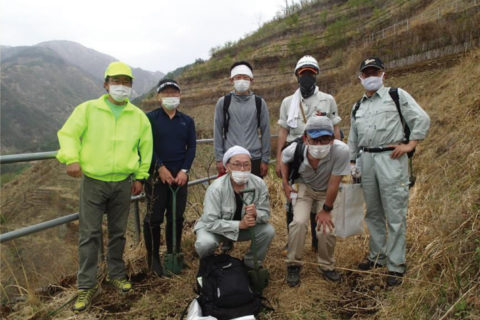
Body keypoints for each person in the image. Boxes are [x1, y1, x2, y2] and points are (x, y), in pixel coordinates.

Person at [56, 61, 153, 312]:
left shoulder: (138, 116)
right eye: (116, 81)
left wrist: (140, 176)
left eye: (126, 82)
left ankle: (116, 275)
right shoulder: (88, 110)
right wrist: (72, 158)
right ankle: (86, 287)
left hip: (123, 183)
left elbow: (146, 148)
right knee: (89, 234)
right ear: (106, 84)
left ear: (132, 86)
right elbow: (67, 134)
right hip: (94, 182)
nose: (121, 86)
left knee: (119, 233)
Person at [348, 57, 430, 286]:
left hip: (391, 158)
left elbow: (421, 118)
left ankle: (395, 264)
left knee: (395, 213)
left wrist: (410, 145)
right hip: (367, 160)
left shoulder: (396, 95)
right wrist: (353, 163)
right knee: (373, 212)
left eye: (375, 71)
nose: (371, 76)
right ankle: (377, 256)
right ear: (361, 78)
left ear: (383, 74)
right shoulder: (357, 106)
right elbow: (353, 137)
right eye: (367, 73)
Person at [275, 55, 342, 252]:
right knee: (294, 198)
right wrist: (279, 159)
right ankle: (293, 239)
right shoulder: (288, 102)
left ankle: (315, 240)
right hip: (295, 154)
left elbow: (335, 128)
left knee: (317, 197)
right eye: (303, 74)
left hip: (321, 152)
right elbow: (283, 131)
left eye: (310, 74)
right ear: (297, 75)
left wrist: (337, 152)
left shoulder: (327, 100)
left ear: (316, 75)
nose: (306, 77)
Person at [280, 116, 350, 286]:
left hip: (327, 190)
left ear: (332, 139)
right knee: (298, 222)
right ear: (306, 139)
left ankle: (326, 266)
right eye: (315, 140)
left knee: (326, 228)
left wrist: (326, 210)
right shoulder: (295, 149)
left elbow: (334, 183)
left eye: (325, 139)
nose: (319, 145)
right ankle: (293, 264)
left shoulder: (341, 151)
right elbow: (283, 159)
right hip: (305, 188)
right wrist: (286, 184)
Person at [143, 79, 196, 276]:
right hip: (157, 178)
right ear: (158, 97)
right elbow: (147, 147)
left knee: (176, 218)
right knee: (153, 218)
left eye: (174, 93)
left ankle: (174, 254)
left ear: (179, 96)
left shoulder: (187, 121)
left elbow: (191, 147)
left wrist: (184, 171)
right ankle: (154, 259)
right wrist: (160, 168)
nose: (170, 96)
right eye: (166, 93)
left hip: (180, 178)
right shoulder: (150, 119)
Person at [194, 146, 275, 269]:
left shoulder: (259, 184)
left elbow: (265, 215)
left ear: (251, 166)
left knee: (268, 231)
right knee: (205, 243)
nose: (242, 169)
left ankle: (250, 264)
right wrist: (239, 225)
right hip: (216, 230)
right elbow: (210, 223)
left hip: (243, 229)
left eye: (246, 164)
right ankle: (209, 266)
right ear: (227, 167)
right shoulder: (216, 188)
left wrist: (256, 214)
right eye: (236, 164)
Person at [214, 61, 270, 178]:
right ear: (231, 80)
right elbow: (218, 131)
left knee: (254, 193)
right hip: (231, 158)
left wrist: (265, 160)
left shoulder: (259, 103)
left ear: (251, 80)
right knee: (231, 195)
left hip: (254, 158)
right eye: (238, 77)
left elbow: (266, 132)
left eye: (245, 77)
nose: (241, 80)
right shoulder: (223, 102)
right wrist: (219, 158)